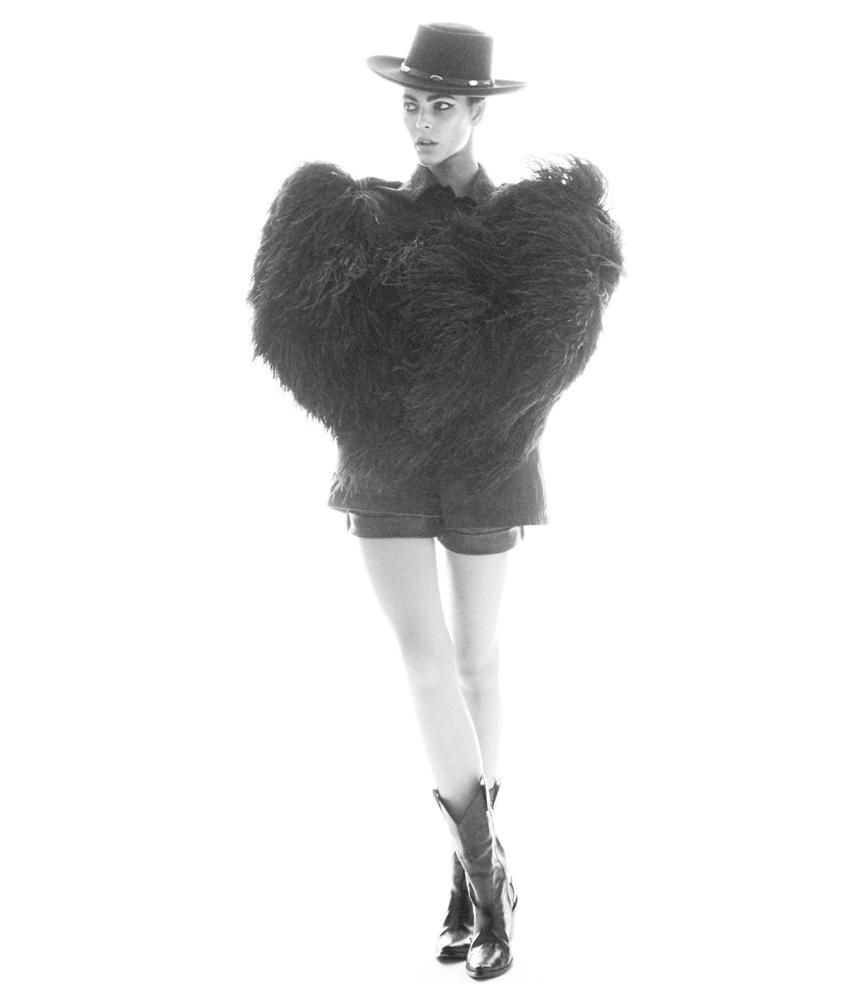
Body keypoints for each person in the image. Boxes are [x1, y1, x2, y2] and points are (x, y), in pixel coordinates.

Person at [247, 22, 622, 980]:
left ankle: (464, 883)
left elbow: (549, 354)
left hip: (490, 458)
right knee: (426, 666)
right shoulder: (360, 218)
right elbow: (312, 338)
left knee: (478, 662)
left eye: (441, 105)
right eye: (412, 104)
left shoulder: (529, 234)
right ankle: (493, 891)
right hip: (386, 461)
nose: (422, 122)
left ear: (476, 111)